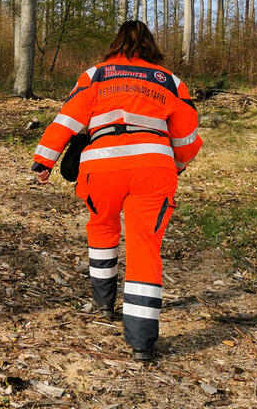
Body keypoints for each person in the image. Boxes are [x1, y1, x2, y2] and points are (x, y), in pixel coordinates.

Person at [30, 21, 202, 361]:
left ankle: (104, 304)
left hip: (102, 166)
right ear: (151, 46)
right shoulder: (170, 81)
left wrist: (44, 160)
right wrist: (176, 164)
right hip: (154, 169)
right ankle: (141, 343)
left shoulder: (96, 75)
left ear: (116, 44)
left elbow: (67, 119)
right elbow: (186, 137)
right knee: (144, 246)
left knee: (102, 226)